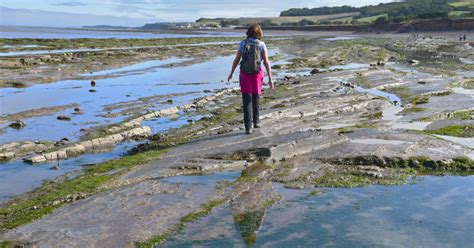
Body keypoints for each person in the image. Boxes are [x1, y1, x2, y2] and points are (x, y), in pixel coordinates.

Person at [227, 23, 273, 134]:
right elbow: (266, 62)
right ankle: (256, 121)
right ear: (259, 33)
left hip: (244, 73)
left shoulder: (243, 43)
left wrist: (231, 73)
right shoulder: (261, 44)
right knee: (256, 96)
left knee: (246, 99)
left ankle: (248, 127)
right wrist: (270, 78)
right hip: (257, 74)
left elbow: (237, 59)